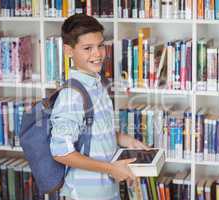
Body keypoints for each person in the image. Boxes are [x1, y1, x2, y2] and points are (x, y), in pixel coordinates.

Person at [49, 14, 149, 200]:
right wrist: (112, 169)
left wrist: (125, 140)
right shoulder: (71, 96)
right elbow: (61, 153)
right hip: (85, 194)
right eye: (88, 48)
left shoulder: (98, 84)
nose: (97, 54)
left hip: (107, 190)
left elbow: (94, 130)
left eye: (100, 45)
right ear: (68, 51)